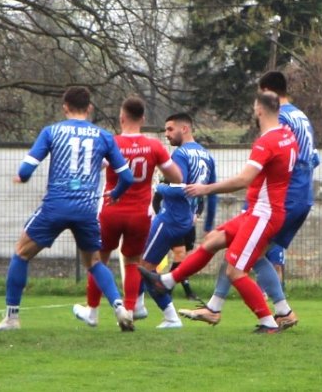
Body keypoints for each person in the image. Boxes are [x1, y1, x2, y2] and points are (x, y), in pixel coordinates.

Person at [140, 91, 297, 333]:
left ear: (259, 110)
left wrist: (206, 189)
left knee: (236, 270)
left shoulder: (266, 142)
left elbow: (244, 179)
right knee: (213, 240)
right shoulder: (288, 135)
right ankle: (167, 282)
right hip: (260, 211)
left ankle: (268, 322)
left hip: (263, 215)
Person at [180, 71, 317, 330]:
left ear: (267, 95)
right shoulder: (301, 116)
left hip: (279, 197)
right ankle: (225, 307)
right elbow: (312, 158)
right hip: (301, 195)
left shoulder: (280, 119)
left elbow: (271, 163)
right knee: (250, 254)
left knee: (244, 254)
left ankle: (272, 311)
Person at [0, 86, 135, 332]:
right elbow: (127, 177)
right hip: (86, 209)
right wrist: (116, 194)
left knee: (21, 253)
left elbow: (26, 171)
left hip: (56, 206)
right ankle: (120, 307)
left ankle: (12, 318)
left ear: (65, 106)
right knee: (94, 262)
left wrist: (22, 178)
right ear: (89, 108)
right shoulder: (104, 136)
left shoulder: (52, 132)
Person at [72, 97, 181, 328]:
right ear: (143, 118)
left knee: (97, 259)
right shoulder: (154, 146)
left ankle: (92, 311)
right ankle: (129, 311)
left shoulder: (111, 143)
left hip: (111, 210)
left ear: (121, 117)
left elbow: (92, 167)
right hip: (140, 214)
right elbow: (177, 176)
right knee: (132, 262)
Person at [135, 113, 217, 328]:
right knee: (145, 265)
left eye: (170, 129)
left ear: (185, 129)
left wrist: (158, 187)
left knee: (144, 267)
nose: (167, 135)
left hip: (170, 217)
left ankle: (166, 315)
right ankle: (136, 306)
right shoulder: (206, 155)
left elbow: (180, 190)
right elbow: (212, 191)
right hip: (184, 220)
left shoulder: (181, 154)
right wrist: (208, 224)